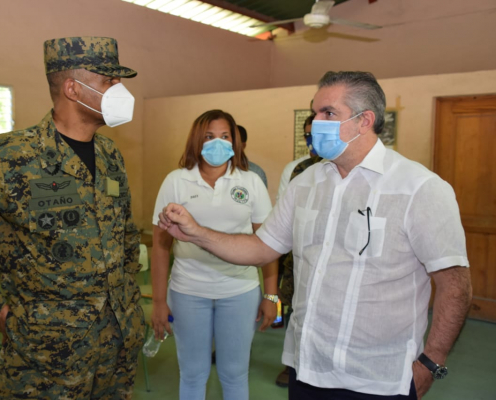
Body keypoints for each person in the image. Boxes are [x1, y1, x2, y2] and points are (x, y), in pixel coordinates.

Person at [157, 71, 473, 400]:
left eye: (328, 113)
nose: (316, 121)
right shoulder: (305, 184)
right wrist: (195, 234)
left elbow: (455, 284)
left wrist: (431, 362)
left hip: (378, 378)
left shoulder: (418, 188)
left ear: (364, 120)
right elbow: (261, 248)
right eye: (315, 112)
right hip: (306, 368)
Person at [0, 37, 145, 399]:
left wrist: (127, 290)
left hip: (116, 344)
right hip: (46, 356)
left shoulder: (111, 154)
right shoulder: (8, 156)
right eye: (108, 81)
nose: (120, 90)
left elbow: (125, 230)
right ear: (72, 88)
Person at [150, 109, 278, 400]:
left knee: (234, 375)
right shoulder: (176, 181)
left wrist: (271, 298)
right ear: (196, 140)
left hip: (240, 291)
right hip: (188, 291)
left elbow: (268, 245)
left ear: (235, 142)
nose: (217, 143)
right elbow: (160, 246)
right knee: (193, 375)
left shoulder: (250, 182)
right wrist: (159, 301)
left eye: (224, 136)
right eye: (209, 136)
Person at [274, 113, 324, 387]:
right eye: (307, 134)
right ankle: (290, 363)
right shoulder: (298, 169)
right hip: (297, 254)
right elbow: (283, 216)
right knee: (294, 307)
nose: (311, 139)